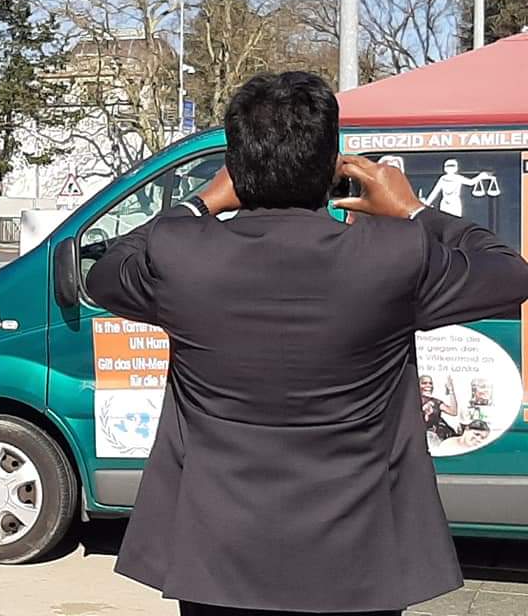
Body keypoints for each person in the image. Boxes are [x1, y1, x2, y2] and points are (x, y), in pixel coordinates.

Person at [86, 71, 528, 616]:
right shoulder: (393, 254)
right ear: (331, 167)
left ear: (236, 168)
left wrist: (200, 202)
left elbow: (106, 272)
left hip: (215, 557)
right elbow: (510, 273)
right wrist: (414, 210)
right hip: (361, 560)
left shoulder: (181, 254)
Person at [419, 374, 459, 446]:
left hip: (436, 438)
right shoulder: (412, 402)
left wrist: (451, 390)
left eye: (430, 383)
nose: (428, 385)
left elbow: (453, 412)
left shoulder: (436, 402)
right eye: (424, 383)